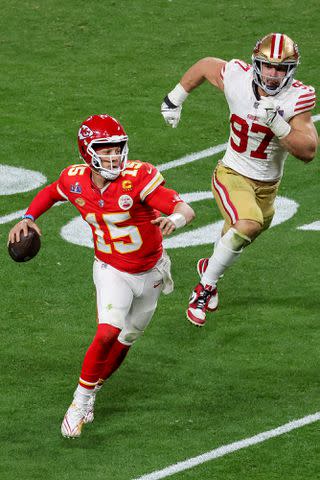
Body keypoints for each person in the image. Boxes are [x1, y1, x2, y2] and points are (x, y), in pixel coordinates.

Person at [8, 114, 195, 438]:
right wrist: (29, 217)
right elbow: (52, 192)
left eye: (117, 148)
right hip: (111, 269)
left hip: (151, 270)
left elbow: (181, 206)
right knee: (108, 332)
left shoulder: (138, 177)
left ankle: (92, 391)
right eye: (105, 150)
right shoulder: (76, 179)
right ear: (87, 152)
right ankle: (80, 402)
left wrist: (175, 220)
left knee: (127, 338)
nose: (113, 156)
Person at [161, 33, 318, 327]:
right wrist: (175, 98)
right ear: (256, 63)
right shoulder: (238, 78)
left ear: (291, 70)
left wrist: (278, 125)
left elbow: (308, 151)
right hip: (232, 173)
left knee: (238, 236)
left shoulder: (298, 97)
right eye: (267, 66)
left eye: (280, 68)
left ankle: (209, 268)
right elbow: (207, 65)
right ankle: (202, 291)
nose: (273, 74)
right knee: (248, 223)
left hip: (268, 186)